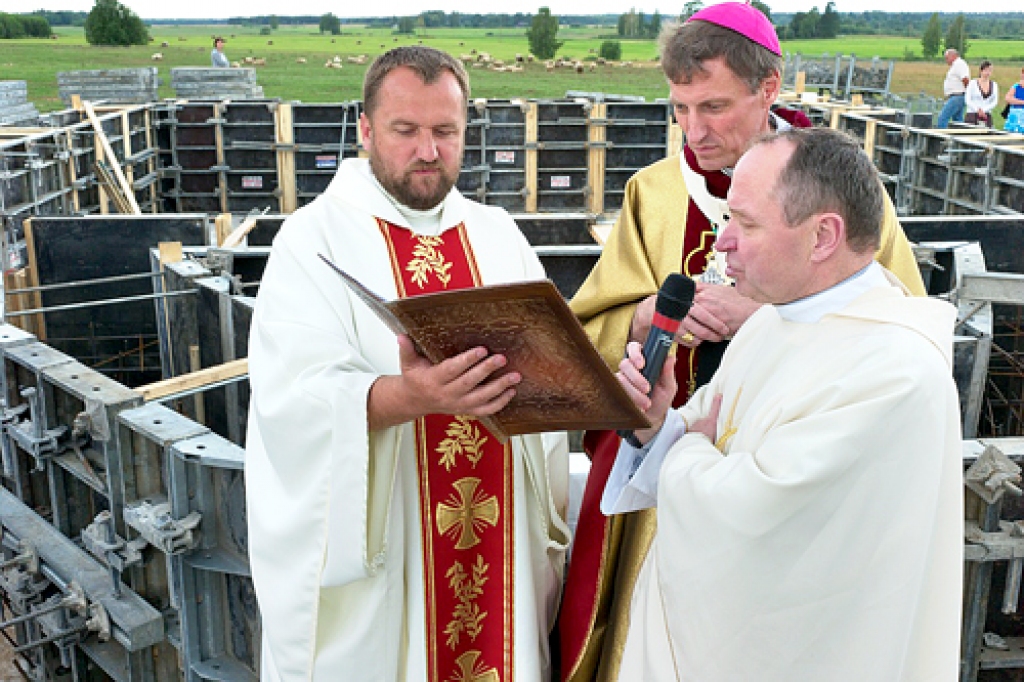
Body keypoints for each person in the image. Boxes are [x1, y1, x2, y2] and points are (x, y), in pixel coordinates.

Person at [558, 4, 927, 681]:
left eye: (714, 107)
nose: (693, 132)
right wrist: (645, 318)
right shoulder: (655, 193)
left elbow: (899, 323)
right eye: (679, 109)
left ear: (769, 88)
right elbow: (586, 333)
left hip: (793, 476)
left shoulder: (843, 186)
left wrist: (763, 311)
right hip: (666, 471)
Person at [245, 47, 570, 682]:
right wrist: (409, 396)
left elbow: (550, 362)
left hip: (496, 545)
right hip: (391, 562)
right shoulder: (313, 242)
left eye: (445, 132)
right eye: (405, 131)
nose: (428, 150)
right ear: (366, 130)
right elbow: (291, 400)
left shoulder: (496, 232)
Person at [608, 126, 962, 681]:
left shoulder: (896, 371)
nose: (722, 243)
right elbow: (706, 443)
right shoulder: (776, 319)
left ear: (822, 237)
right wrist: (660, 426)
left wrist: (688, 454)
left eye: (744, 223)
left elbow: (755, 518)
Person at [937, 48, 970, 128]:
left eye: (947, 58)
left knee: (943, 117)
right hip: (957, 96)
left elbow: (965, 79)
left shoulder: (959, 64)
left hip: (957, 96)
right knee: (957, 120)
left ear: (953, 56)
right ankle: (960, 137)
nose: (946, 60)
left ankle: (941, 137)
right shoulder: (956, 65)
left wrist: (967, 91)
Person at [964, 60, 998, 127]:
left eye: (990, 70)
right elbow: (968, 100)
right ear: (981, 70)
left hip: (986, 115)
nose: (988, 73)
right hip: (972, 114)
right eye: (986, 70)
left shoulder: (994, 84)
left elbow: (995, 101)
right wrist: (977, 110)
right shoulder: (972, 83)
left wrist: (984, 110)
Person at [1004, 66, 1024, 133]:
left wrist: (1015, 101)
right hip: (1015, 118)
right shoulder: (1016, 86)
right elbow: (1008, 98)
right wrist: (1022, 102)